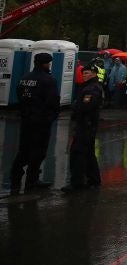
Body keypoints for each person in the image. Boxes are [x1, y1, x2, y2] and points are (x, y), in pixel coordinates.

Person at [9, 52, 60, 194]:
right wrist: (51, 117)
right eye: (48, 63)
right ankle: (31, 183)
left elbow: (20, 97)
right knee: (37, 153)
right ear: (45, 64)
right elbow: (53, 101)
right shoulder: (48, 80)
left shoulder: (25, 78)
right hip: (41, 122)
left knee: (23, 152)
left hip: (26, 120)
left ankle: (15, 182)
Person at [62, 59, 103, 193]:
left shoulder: (91, 89)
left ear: (94, 74)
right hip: (87, 125)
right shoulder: (89, 87)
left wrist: (75, 106)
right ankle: (94, 179)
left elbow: (85, 107)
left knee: (78, 154)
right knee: (88, 153)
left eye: (87, 73)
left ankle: (77, 182)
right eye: (83, 73)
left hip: (85, 125)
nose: (84, 75)